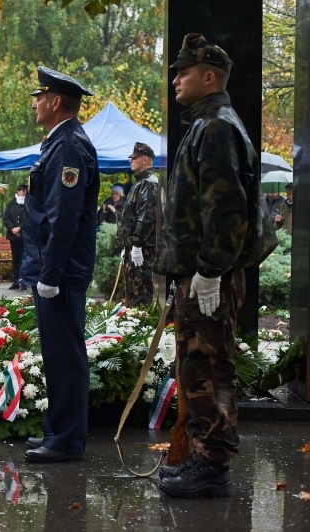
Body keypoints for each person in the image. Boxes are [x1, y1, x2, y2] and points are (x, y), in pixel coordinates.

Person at [155, 33, 261, 499]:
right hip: (198, 275)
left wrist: (211, 269)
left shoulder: (217, 126)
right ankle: (203, 456)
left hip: (206, 277)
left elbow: (227, 210)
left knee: (211, 368)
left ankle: (212, 465)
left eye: (184, 72)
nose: (176, 79)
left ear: (209, 76)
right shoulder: (206, 123)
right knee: (196, 368)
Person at [20, 67, 99, 463]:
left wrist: (49, 274)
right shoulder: (59, 143)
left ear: (55, 102)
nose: (34, 103)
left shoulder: (68, 147)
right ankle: (59, 432)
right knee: (57, 352)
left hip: (61, 271)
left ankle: (66, 439)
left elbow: (62, 217)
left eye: (39, 96)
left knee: (65, 354)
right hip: (55, 268)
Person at [116, 142, 158, 307]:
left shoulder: (148, 183)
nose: (130, 161)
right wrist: (127, 245)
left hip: (144, 251)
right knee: (133, 296)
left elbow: (146, 217)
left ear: (145, 159)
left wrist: (137, 244)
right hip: (136, 249)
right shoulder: (141, 182)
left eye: (134, 158)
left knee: (140, 297)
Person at [3, 184, 26, 290]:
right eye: (21, 190)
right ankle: (16, 281)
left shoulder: (28, 204)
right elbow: (6, 218)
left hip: (24, 236)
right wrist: (12, 228)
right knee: (15, 259)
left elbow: (29, 218)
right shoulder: (12, 203)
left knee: (23, 258)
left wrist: (20, 228)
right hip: (13, 236)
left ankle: (24, 281)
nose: (23, 192)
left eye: (25, 190)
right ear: (18, 191)